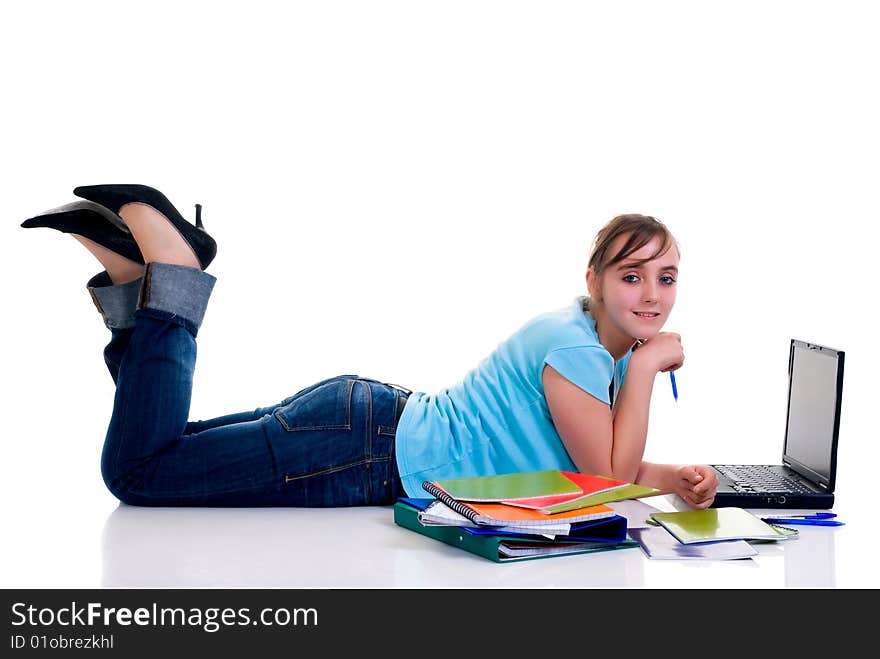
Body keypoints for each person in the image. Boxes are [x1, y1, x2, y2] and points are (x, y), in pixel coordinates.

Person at [21, 185, 718, 509]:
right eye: (632, 276)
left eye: (666, 277)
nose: (652, 294)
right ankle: (174, 277)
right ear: (593, 279)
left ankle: (136, 282)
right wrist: (651, 368)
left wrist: (670, 476)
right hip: (362, 448)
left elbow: (595, 458)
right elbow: (604, 475)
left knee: (159, 449)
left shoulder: (593, 342)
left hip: (361, 426)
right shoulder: (579, 349)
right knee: (141, 472)